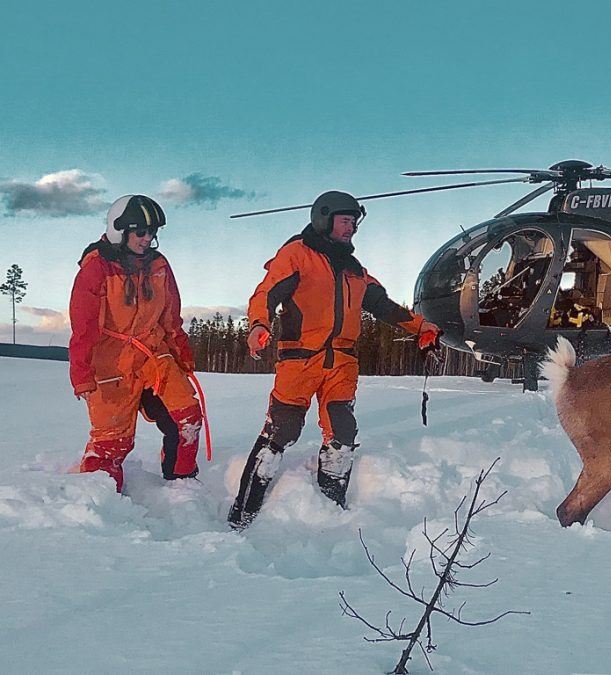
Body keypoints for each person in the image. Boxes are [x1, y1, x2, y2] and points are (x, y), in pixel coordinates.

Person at [228, 190, 440, 529]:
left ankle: (329, 509)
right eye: (345, 221)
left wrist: (421, 327)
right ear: (324, 219)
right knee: (282, 431)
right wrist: (258, 325)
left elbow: (385, 307)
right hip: (300, 359)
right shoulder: (296, 254)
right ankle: (243, 514)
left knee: (342, 432)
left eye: (354, 222)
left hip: (342, 362)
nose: (351, 228)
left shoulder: (355, 271)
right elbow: (266, 293)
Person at [68, 195, 202, 492]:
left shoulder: (158, 265)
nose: (147, 239)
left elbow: (171, 318)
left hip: (153, 355)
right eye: (140, 232)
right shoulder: (97, 268)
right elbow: (83, 327)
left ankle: (182, 485)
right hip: (111, 363)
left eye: (152, 232)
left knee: (187, 418)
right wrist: (81, 373)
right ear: (120, 230)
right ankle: (100, 498)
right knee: (112, 443)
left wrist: (183, 355)